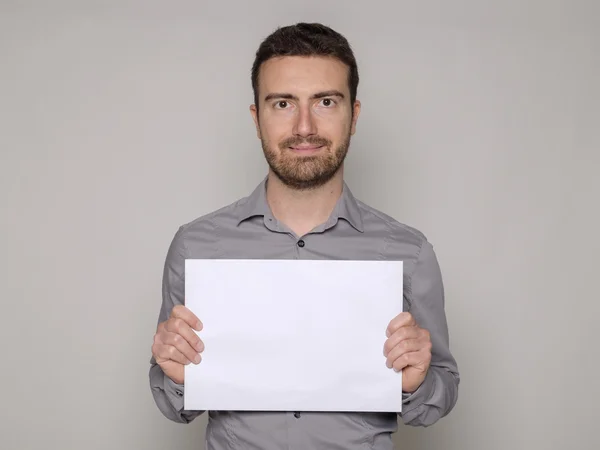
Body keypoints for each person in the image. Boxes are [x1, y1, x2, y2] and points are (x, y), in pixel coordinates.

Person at [149, 22, 459, 450]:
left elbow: (437, 395)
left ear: (354, 115)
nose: (305, 126)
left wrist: (416, 381)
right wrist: (176, 371)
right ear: (257, 118)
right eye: (282, 103)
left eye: (326, 101)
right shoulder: (197, 246)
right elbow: (174, 405)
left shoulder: (408, 252)